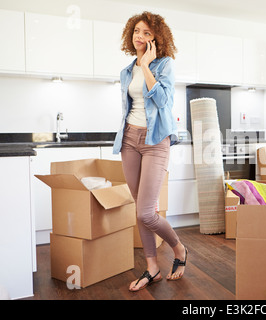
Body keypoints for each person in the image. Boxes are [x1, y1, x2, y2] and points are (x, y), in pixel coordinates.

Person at [112, 11, 187, 292]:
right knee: (139, 208)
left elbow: (164, 100)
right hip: (130, 138)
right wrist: (138, 65)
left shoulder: (165, 65)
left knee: (146, 212)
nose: (140, 37)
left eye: (146, 32)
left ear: (156, 37)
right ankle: (153, 267)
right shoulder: (125, 71)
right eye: (136, 32)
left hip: (156, 141)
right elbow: (130, 107)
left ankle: (179, 249)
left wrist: (146, 65)